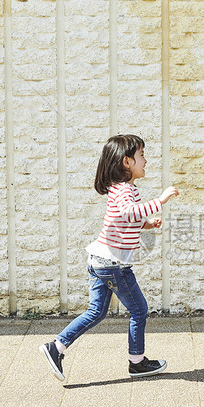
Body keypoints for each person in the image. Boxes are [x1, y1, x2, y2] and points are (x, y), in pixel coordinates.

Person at [42, 134, 179, 382]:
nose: (145, 161)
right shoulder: (124, 190)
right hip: (113, 264)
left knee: (96, 312)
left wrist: (146, 225)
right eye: (141, 156)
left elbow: (124, 221)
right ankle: (137, 362)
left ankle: (57, 347)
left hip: (100, 261)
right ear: (127, 162)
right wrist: (160, 201)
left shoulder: (124, 190)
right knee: (139, 309)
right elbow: (128, 212)